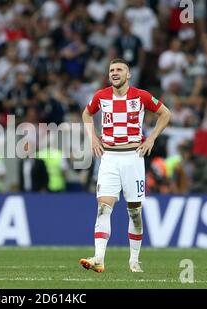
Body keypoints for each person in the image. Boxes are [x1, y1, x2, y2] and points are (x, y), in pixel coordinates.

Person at [80, 58, 171, 273]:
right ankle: (99, 258)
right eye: (111, 70)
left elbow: (165, 114)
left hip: (133, 158)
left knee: (135, 213)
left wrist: (151, 139)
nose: (114, 72)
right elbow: (86, 114)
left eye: (119, 69)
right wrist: (92, 137)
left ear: (128, 75)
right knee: (103, 209)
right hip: (109, 158)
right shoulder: (100, 96)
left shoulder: (141, 96)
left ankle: (134, 260)